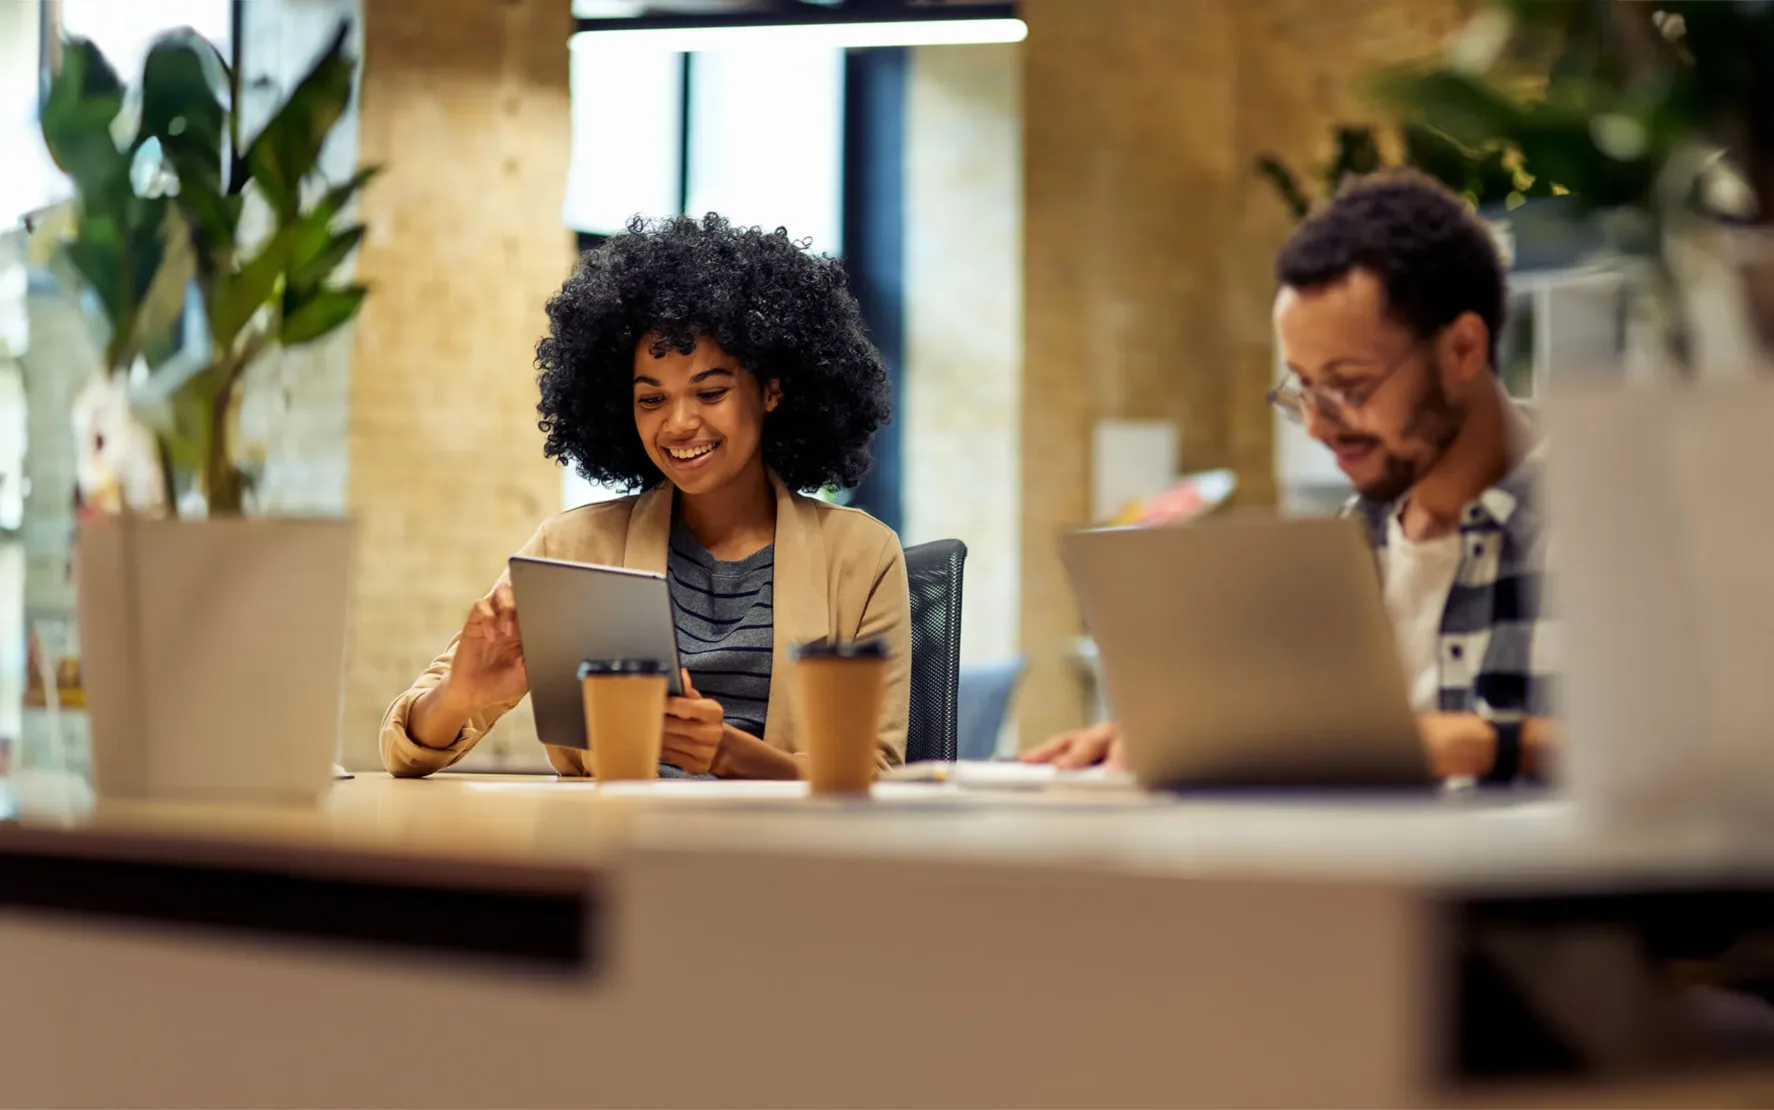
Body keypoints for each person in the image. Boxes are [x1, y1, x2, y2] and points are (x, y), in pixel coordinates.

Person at [1027, 171, 1557, 783]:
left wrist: (1489, 744)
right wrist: (1186, 740)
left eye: (1349, 386)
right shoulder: (1348, 548)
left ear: (1462, 350)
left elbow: (1686, 755)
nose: (1318, 427)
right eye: (1304, 390)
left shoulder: (1608, 522)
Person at [380, 214, 910, 780]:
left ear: (772, 389)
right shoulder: (572, 546)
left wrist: (727, 752)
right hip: (609, 846)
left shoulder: (861, 555)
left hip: (777, 858)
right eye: (651, 400)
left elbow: (872, 772)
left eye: (710, 392)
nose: (680, 423)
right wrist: (461, 697)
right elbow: (405, 749)